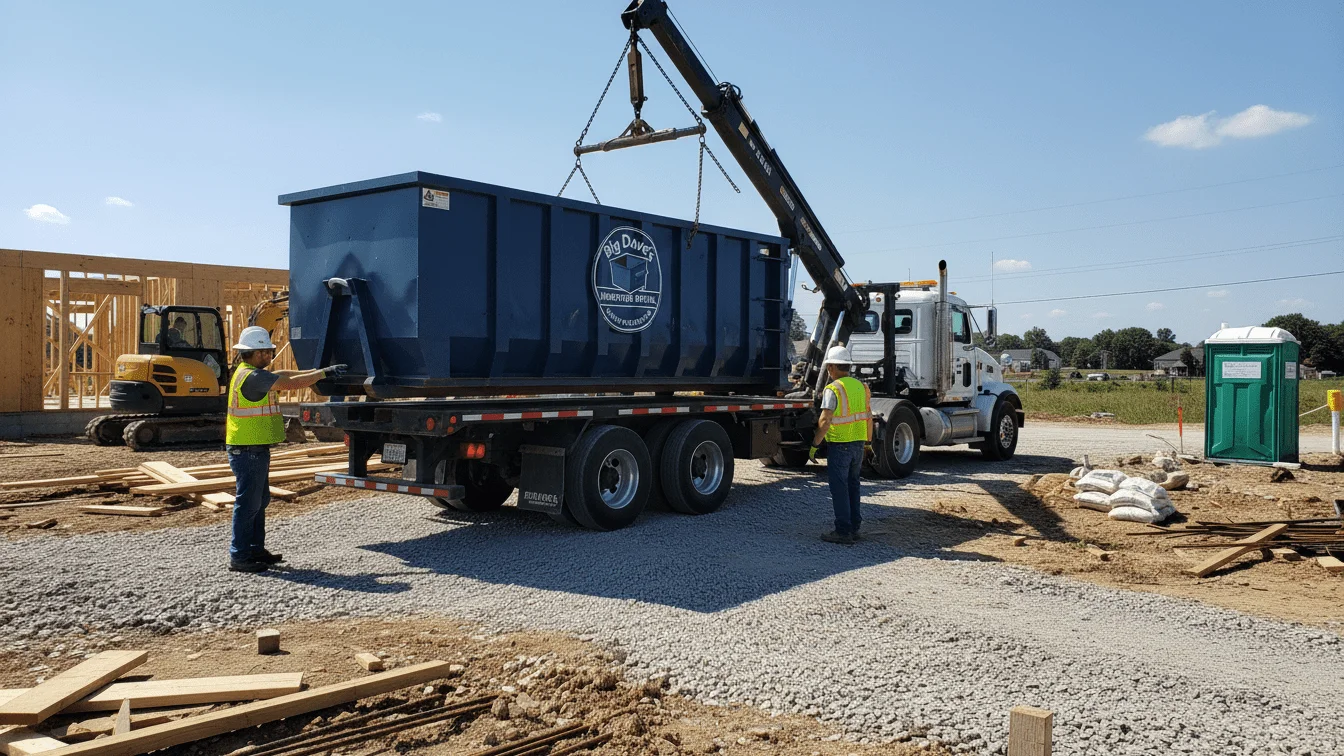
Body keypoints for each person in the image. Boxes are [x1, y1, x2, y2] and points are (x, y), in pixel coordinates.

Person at [226, 325, 346, 573]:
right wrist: (322, 375)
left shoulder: (249, 371)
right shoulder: (254, 377)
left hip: (253, 448)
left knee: (259, 500)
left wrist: (318, 371)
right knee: (249, 503)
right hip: (247, 449)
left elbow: (285, 373)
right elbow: (290, 383)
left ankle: (254, 549)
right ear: (258, 353)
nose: (270, 355)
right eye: (268, 351)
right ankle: (240, 556)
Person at [809, 345, 872, 544]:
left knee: (839, 487)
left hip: (840, 445)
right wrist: (868, 443)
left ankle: (843, 531)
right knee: (853, 485)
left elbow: (825, 420)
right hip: (858, 443)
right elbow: (869, 417)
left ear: (832, 367)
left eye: (829, 367)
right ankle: (854, 527)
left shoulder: (833, 389)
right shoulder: (862, 387)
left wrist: (814, 445)